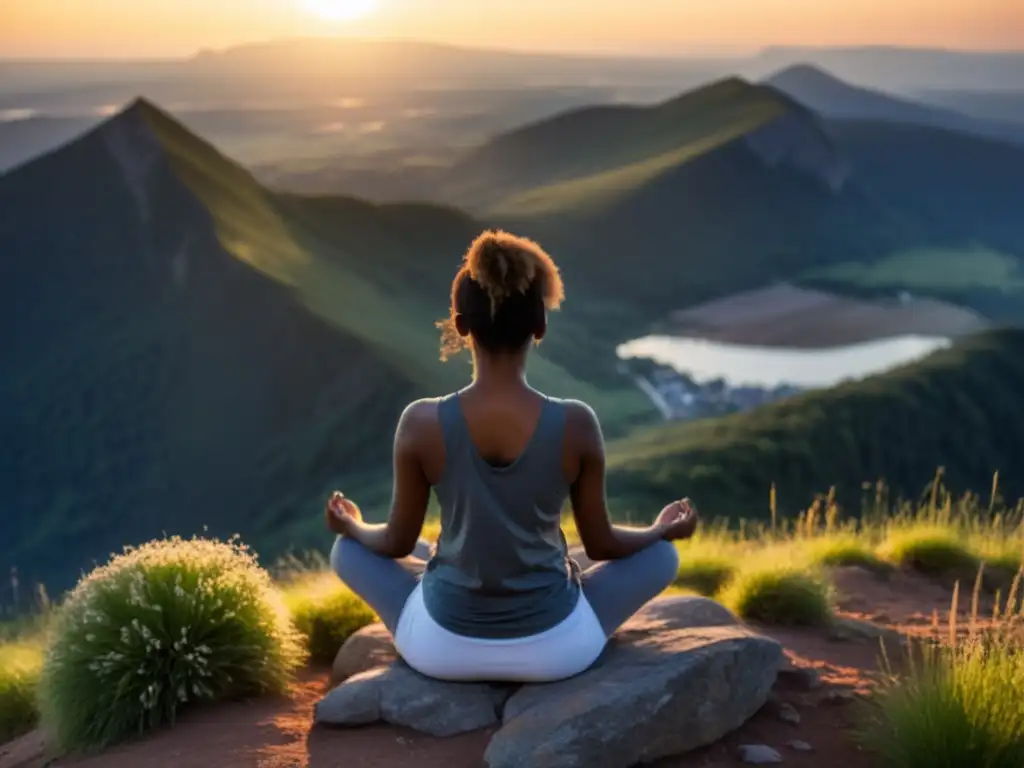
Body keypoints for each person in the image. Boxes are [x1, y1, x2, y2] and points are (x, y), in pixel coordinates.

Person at [326, 229, 699, 683]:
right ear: (540, 325)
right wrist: (660, 530)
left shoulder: (421, 422)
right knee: (664, 558)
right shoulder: (576, 423)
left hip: (442, 649)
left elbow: (395, 545)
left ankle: (439, 578)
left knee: (348, 551)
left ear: (461, 327)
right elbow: (602, 545)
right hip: (556, 651)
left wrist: (352, 524)